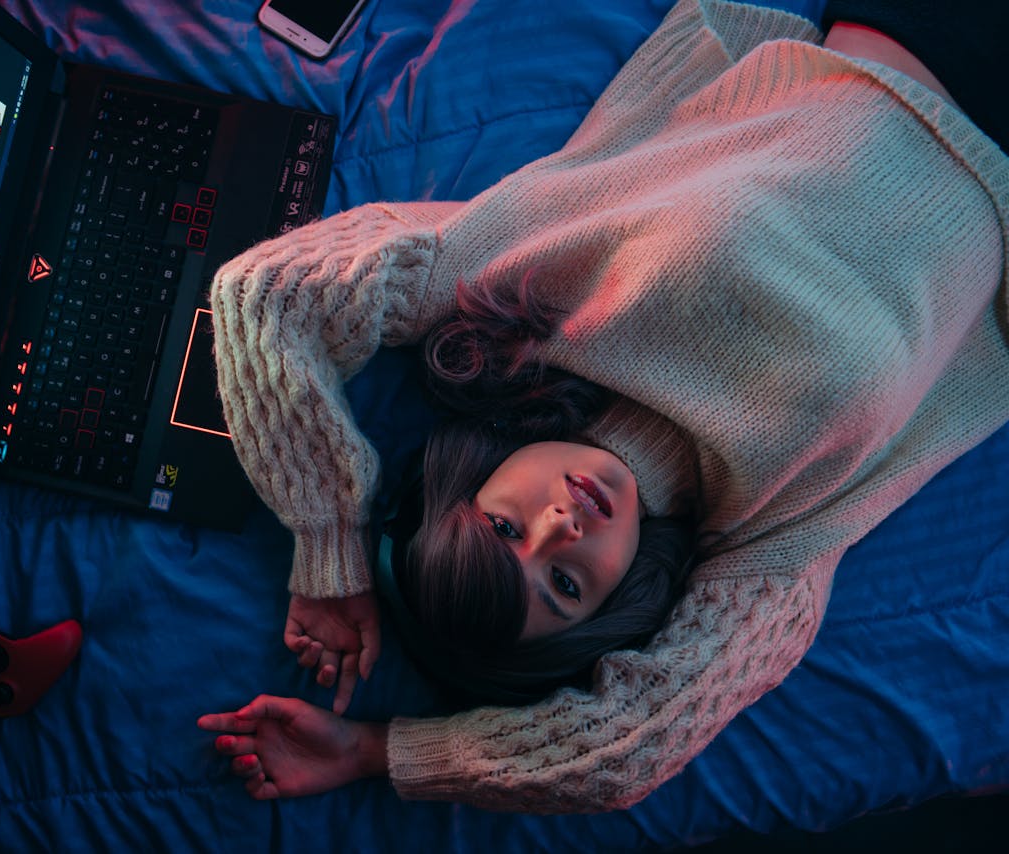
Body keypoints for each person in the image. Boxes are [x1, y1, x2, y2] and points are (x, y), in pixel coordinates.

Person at [197, 0, 1009, 813]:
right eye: (565, 585)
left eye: (504, 528)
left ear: (468, 485)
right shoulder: (767, 541)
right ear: (617, 599)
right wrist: (380, 750)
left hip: (914, 35)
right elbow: (624, 756)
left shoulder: (531, 298)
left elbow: (265, 296)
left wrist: (329, 546)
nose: (562, 528)